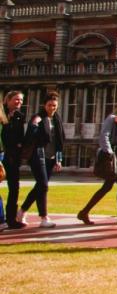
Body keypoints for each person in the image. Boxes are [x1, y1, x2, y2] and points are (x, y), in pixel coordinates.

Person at [77, 97, 117, 225]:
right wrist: (109, 152)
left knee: (107, 186)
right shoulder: (111, 118)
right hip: (112, 152)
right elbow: (104, 135)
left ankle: (84, 212)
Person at [20, 91, 65, 228]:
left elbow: (60, 142)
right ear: (44, 105)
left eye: (55, 105)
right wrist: (33, 125)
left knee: (40, 186)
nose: (52, 108)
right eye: (50, 105)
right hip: (38, 156)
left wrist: (59, 159)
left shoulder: (57, 119)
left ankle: (22, 211)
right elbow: (28, 138)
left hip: (51, 158)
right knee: (44, 185)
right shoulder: (37, 117)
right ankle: (44, 217)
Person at [0, 90, 27, 230]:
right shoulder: (1, 113)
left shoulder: (20, 116)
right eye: (16, 99)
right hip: (2, 154)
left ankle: (11, 219)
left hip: (13, 157)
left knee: (14, 188)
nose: (19, 102)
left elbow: (19, 138)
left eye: (21, 100)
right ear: (7, 100)